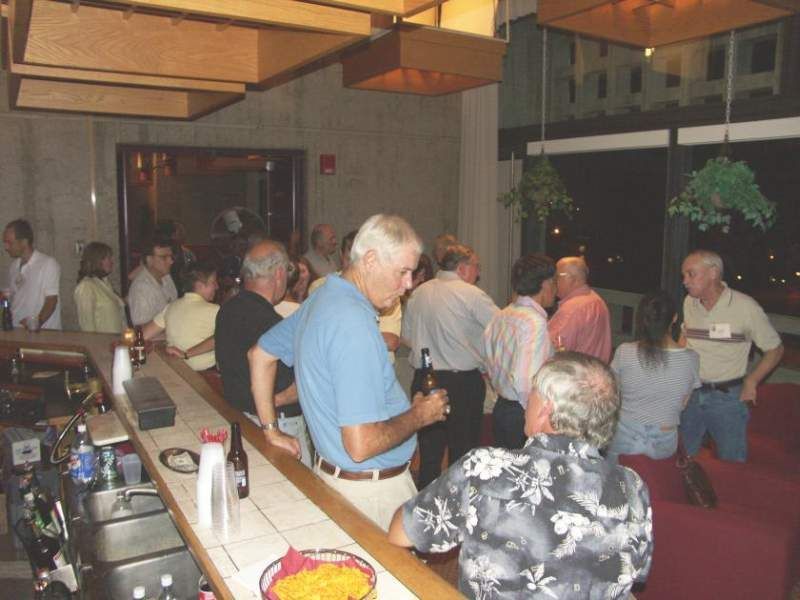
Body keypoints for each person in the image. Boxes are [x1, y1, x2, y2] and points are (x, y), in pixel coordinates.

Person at [388, 352, 654, 600]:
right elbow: (636, 572)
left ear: (546, 409)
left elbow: (402, 532)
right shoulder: (632, 487)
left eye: (533, 392)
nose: (527, 400)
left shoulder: (486, 469)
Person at [250, 214, 449, 530]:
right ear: (370, 260)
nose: (409, 284)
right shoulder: (353, 323)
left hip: (335, 481)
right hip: (371, 494)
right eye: (403, 272)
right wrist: (419, 415)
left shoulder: (324, 296)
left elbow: (260, 355)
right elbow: (361, 445)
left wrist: (271, 429)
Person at [402, 243, 499, 489]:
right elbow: (502, 329)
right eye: (476, 267)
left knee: (429, 455)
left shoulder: (419, 293)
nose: (478, 273)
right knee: (463, 456)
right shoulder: (472, 295)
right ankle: (458, 505)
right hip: (461, 383)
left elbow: (408, 337)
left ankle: (426, 503)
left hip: (425, 380)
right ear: (462, 268)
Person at [679, 250, 783, 461]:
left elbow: (776, 349)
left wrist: (752, 381)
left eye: (691, 274)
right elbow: (685, 339)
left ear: (713, 273)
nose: (685, 281)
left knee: (732, 461)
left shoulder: (745, 307)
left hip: (726, 397)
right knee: (683, 457)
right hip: (691, 393)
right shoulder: (689, 303)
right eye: (684, 275)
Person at [217, 241, 312, 466]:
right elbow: (295, 383)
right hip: (280, 425)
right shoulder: (271, 325)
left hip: (239, 419)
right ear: (279, 273)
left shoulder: (227, 309)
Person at [607, 291, 700, 460]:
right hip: (664, 442)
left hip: (625, 435)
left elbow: (613, 393)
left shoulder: (625, 351)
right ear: (674, 318)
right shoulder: (691, 358)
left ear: (643, 318)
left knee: (614, 474)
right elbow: (683, 404)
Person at [483, 254, 557, 450]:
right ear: (545, 284)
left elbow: (488, 361)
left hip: (501, 407)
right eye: (554, 282)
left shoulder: (503, 314)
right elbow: (526, 380)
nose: (556, 289)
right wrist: (535, 418)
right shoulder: (534, 323)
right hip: (521, 412)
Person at [142, 262, 219, 371]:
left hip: (177, 371)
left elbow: (143, 335)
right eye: (213, 282)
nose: (217, 286)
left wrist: (174, 334)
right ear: (199, 285)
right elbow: (220, 338)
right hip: (207, 375)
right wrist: (186, 354)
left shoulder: (171, 307)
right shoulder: (215, 310)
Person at [548, 256, 612, 362]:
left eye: (557, 276)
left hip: (574, 370)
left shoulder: (572, 309)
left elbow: (552, 350)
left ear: (573, 279)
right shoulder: (598, 301)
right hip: (597, 369)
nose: (553, 281)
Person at [3, 219, 61, 330]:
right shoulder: (13, 266)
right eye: (5, 243)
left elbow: (51, 300)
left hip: (42, 333)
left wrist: (36, 322)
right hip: (16, 330)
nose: (6, 247)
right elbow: (14, 299)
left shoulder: (48, 264)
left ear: (24, 242)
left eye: (9, 243)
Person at [74, 242, 127, 333]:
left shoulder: (104, 282)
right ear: (97, 261)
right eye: (108, 258)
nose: (112, 262)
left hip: (117, 339)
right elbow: (87, 326)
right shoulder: (86, 286)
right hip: (102, 341)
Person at [127, 237, 178, 326]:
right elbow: (141, 328)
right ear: (149, 260)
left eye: (171, 257)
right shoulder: (141, 288)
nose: (171, 261)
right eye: (164, 257)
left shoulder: (167, 277)